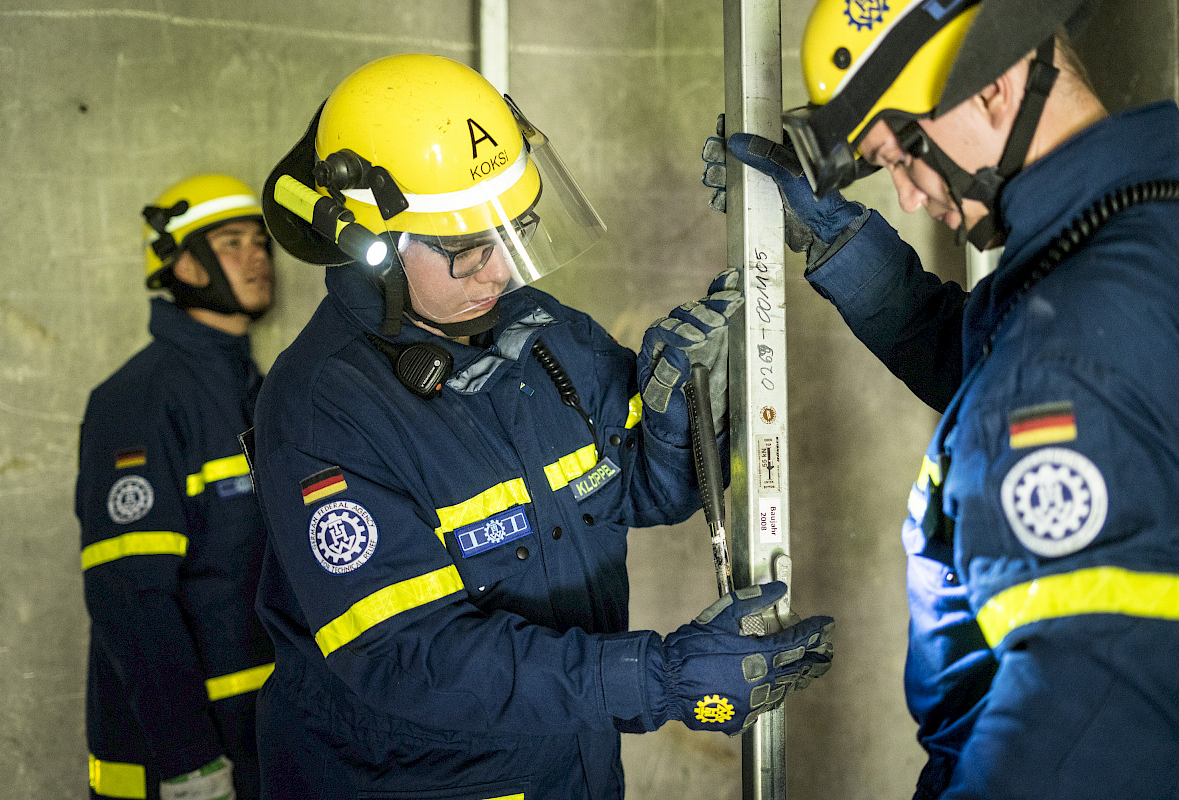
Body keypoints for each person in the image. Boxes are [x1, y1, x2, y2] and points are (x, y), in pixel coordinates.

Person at [248, 52, 834, 799]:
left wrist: (676, 417)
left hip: (571, 768)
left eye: (514, 229)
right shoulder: (324, 406)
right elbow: (406, 654)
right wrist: (656, 678)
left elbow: (635, 496)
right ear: (374, 249)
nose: (501, 272)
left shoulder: (544, 334)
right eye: (465, 250)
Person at [705, 0, 1179, 797]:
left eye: (903, 153)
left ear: (991, 88)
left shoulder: (1069, 344)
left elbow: (1084, 714)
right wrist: (842, 244)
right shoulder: (1134, 234)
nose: (910, 195)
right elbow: (995, 364)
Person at [76, 174, 277, 800]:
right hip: (185, 760)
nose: (257, 257)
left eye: (260, 241)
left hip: (264, 738)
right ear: (183, 264)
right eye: (231, 242)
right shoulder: (138, 400)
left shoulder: (265, 391)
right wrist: (190, 762)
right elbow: (130, 598)